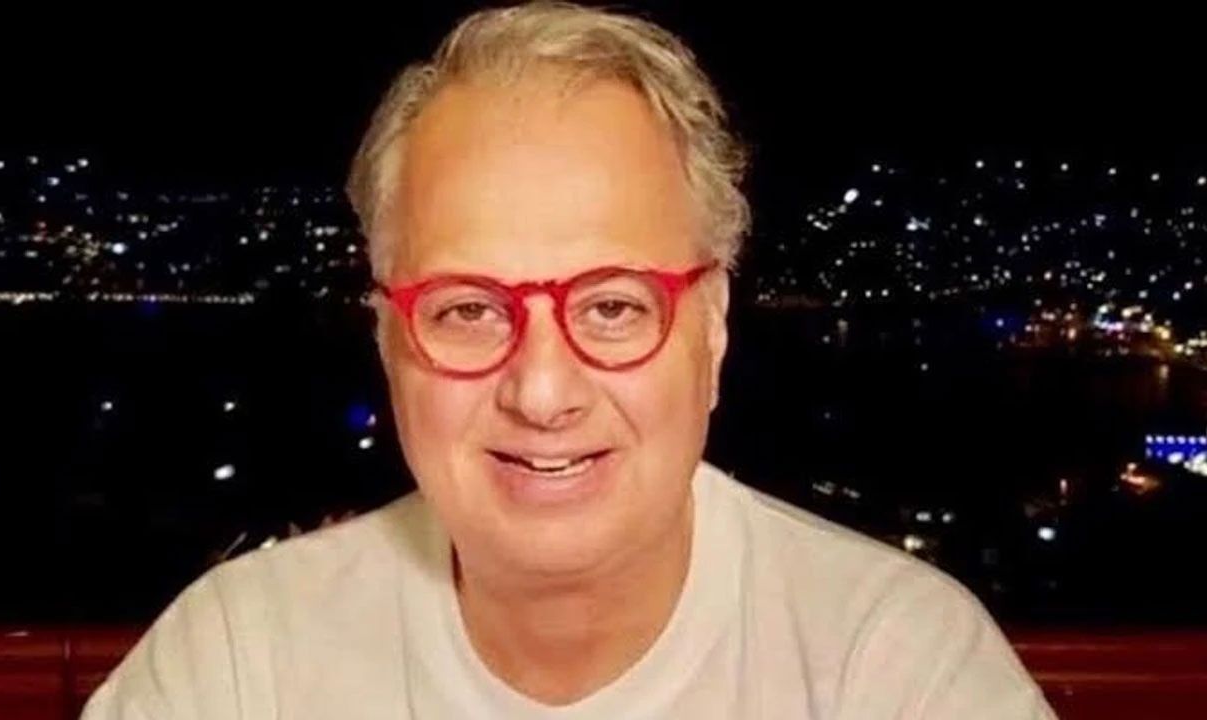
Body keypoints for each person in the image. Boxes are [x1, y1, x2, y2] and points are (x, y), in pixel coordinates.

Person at [83, 2, 1056, 717]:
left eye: (612, 307)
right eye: (468, 310)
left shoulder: (893, 670)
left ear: (713, 326)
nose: (542, 391)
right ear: (387, 337)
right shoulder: (238, 664)